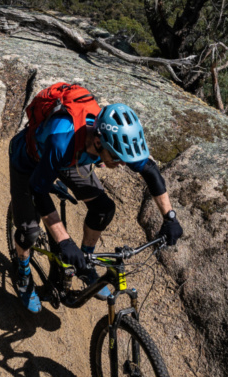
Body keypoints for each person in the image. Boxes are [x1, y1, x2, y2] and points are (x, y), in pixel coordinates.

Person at [10, 99, 182, 313]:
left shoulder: (113, 141)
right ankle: (23, 273)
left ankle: (85, 264)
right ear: (99, 142)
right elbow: (38, 191)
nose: (121, 165)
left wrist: (170, 217)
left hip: (71, 160)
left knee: (103, 208)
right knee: (29, 231)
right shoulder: (61, 141)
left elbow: (150, 170)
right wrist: (65, 241)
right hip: (29, 159)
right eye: (117, 159)